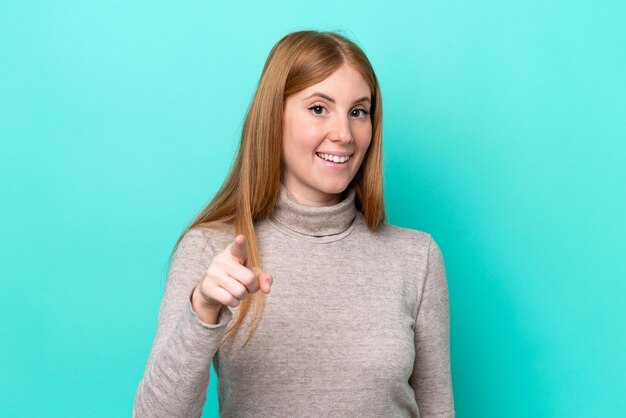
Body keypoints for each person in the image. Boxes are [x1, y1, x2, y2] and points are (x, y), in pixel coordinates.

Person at [133, 30, 454, 417]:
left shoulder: (416, 258)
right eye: (319, 108)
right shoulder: (210, 251)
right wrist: (201, 309)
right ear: (274, 117)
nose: (344, 134)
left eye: (358, 112)